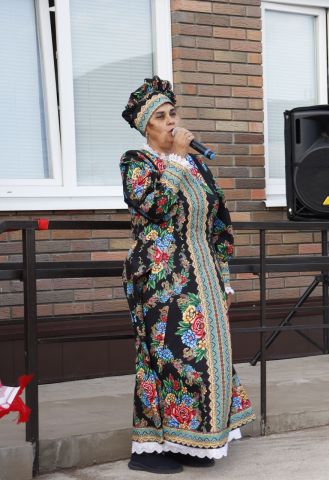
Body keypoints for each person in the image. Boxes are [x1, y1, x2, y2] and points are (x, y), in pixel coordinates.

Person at [120, 76, 254, 473]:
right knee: (168, 358)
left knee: (207, 357)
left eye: (172, 113)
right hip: (160, 275)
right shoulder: (137, 163)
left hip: (203, 275)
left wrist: (225, 277)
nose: (171, 122)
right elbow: (156, 205)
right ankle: (149, 449)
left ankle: (188, 442)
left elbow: (218, 224)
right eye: (161, 117)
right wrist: (177, 160)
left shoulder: (196, 166)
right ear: (147, 127)